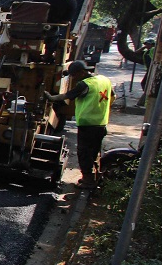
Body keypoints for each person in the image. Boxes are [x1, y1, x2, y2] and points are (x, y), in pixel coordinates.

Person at [44, 59, 115, 189]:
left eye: (74, 75)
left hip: (88, 125)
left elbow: (67, 95)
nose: (73, 78)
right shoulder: (104, 80)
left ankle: (88, 180)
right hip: (101, 123)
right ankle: (93, 177)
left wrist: (50, 97)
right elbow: (112, 97)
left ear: (82, 72)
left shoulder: (85, 84)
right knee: (94, 152)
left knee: (84, 153)